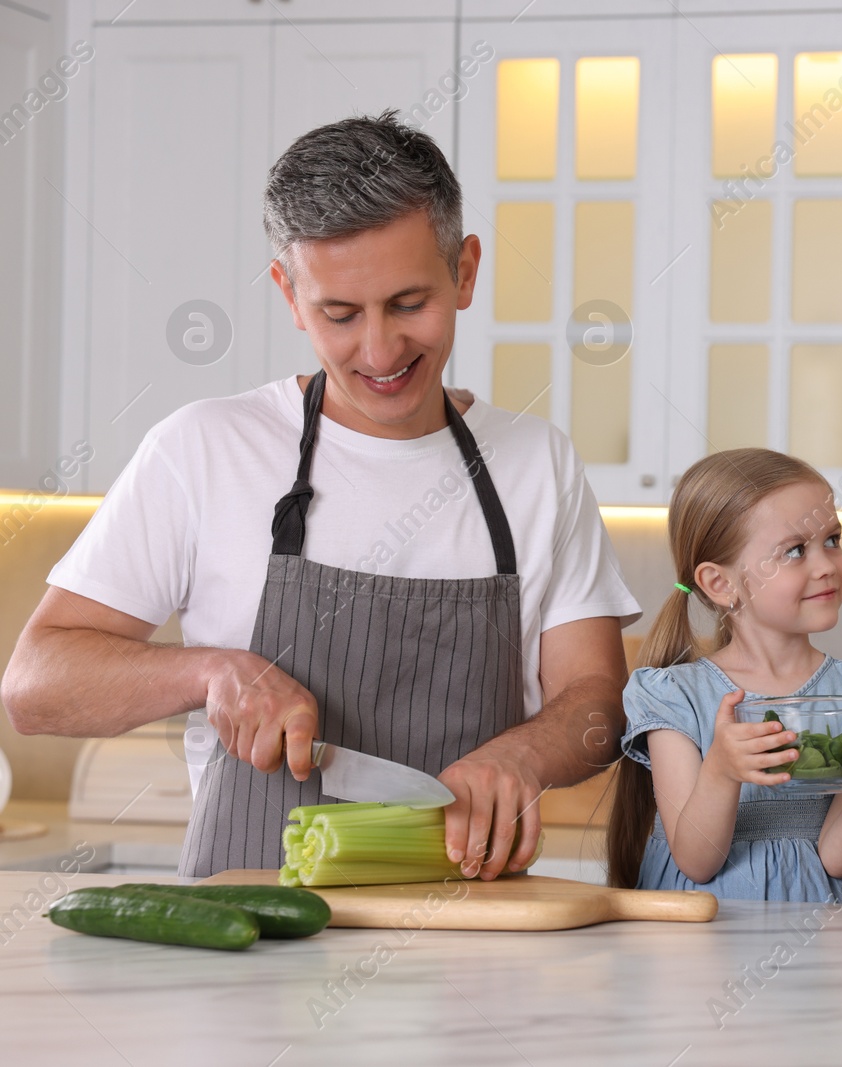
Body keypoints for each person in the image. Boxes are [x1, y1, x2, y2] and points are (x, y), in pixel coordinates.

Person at [1, 111, 641, 880]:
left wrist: (527, 755)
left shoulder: (537, 463)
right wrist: (209, 673)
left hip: (474, 940)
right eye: (340, 314)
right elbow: (35, 687)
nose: (379, 350)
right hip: (254, 942)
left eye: (409, 304)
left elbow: (598, 702)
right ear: (290, 293)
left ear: (465, 271)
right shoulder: (203, 448)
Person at [606, 449, 842, 903]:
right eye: (795, 550)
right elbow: (696, 859)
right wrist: (722, 772)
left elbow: (838, 858)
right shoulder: (677, 696)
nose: (827, 563)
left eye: (832, 539)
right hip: (707, 939)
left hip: (823, 936)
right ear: (720, 583)